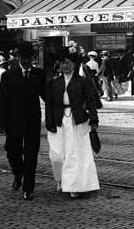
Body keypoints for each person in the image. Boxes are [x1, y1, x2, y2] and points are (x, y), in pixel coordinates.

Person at [0, 43, 46, 201]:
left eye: (28, 58)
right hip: (13, 121)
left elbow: (47, 96)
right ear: (17, 58)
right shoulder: (8, 76)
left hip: (32, 121)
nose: (25, 61)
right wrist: (0, 122)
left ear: (32, 58)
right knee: (12, 152)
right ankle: (18, 174)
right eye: (22, 58)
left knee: (31, 156)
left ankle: (28, 187)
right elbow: (1, 100)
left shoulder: (40, 74)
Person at [45, 51, 100, 199]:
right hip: (58, 120)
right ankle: (60, 179)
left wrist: (94, 120)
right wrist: (49, 122)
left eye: (68, 63)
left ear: (74, 64)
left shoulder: (83, 81)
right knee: (57, 154)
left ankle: (74, 185)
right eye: (63, 63)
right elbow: (48, 105)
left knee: (75, 153)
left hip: (78, 120)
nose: (66, 66)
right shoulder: (54, 83)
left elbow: (91, 102)